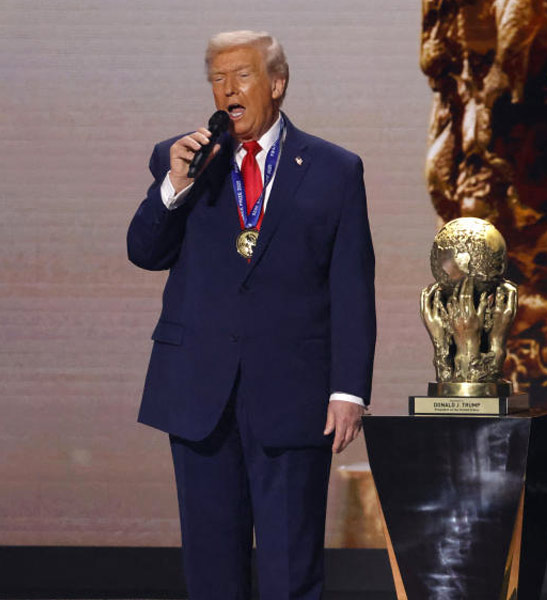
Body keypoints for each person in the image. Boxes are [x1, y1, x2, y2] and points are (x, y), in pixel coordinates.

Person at [127, 30, 376, 600]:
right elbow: (145, 252)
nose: (227, 89)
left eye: (241, 76)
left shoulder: (334, 169)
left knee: (291, 568)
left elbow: (351, 285)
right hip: (198, 394)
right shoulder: (184, 157)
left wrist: (349, 390)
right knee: (213, 570)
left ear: (277, 84)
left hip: (293, 394)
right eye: (217, 78)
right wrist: (173, 186)